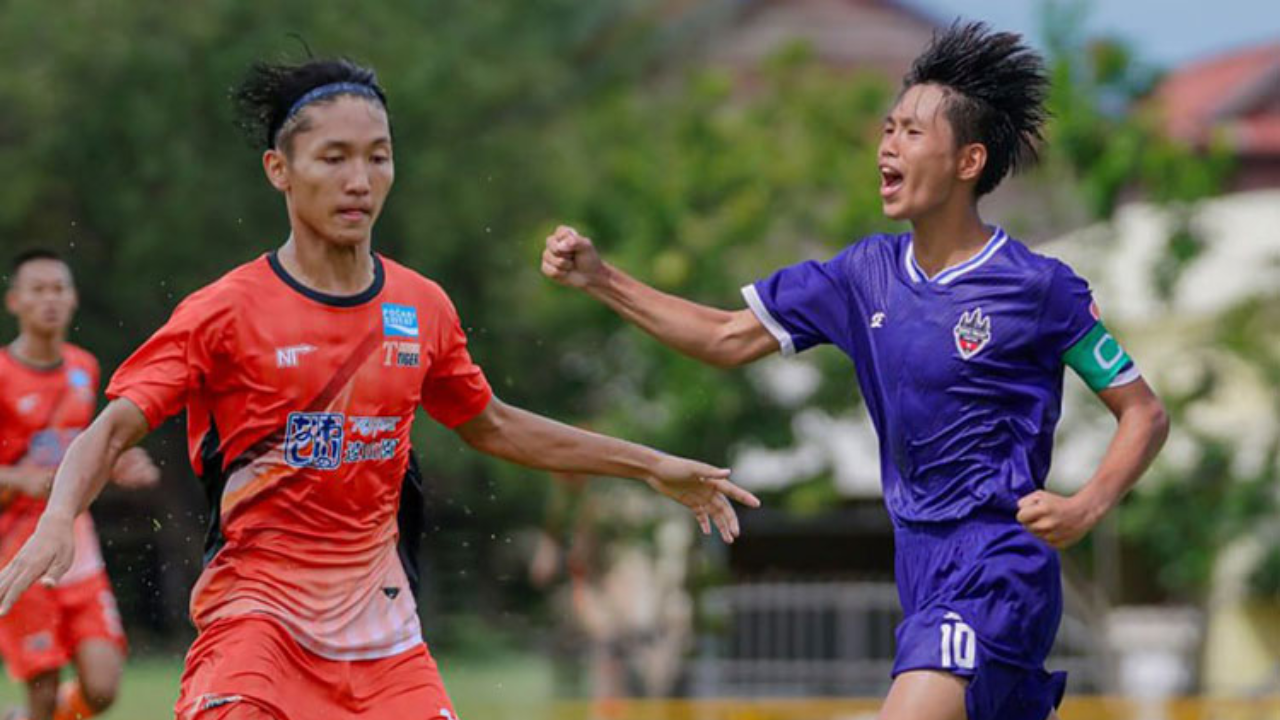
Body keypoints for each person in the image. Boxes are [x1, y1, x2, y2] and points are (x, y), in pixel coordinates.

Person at [0, 58, 759, 720]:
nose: (360, 181)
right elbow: (110, 430)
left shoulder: (421, 308)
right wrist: (59, 516)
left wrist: (650, 465)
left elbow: (491, 425)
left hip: (382, 636)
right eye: (333, 158)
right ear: (279, 171)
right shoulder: (224, 312)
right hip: (255, 623)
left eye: (378, 157)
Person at [541, 21, 1170, 720]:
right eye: (888, 128)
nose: (887, 146)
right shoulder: (861, 276)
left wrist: (1085, 506)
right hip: (920, 567)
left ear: (969, 162)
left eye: (911, 133)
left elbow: (1143, 411)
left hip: (997, 566)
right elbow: (724, 336)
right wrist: (603, 279)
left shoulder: (1038, 288)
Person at [0, 250, 160, 720]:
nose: (50, 299)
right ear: (15, 301)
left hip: (75, 545)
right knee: (43, 688)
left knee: (103, 685)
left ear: (73, 299)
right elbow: (34, 474)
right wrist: (17, 480)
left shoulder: (84, 368)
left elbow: (76, 456)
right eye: (38, 289)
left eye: (59, 289)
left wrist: (114, 464)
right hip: (17, 549)